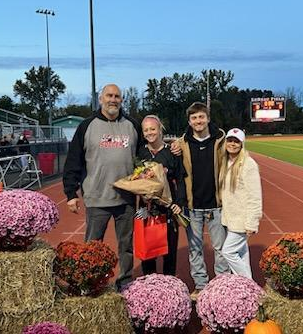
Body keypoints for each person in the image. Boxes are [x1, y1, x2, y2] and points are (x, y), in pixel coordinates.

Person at [63, 83, 142, 291]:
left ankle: (124, 281)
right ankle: (91, 282)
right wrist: (71, 193)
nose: (113, 99)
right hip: (97, 197)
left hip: (125, 200)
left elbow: (143, 159)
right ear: (101, 99)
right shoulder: (87, 126)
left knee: (126, 246)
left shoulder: (132, 125)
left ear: (121, 100)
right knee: (93, 246)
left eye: (117, 96)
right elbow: (73, 160)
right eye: (109, 95)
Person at [175, 102, 229, 300]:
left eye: (201, 117)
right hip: (193, 206)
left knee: (220, 248)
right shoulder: (182, 144)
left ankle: (221, 285)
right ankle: (200, 286)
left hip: (216, 204)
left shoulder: (220, 141)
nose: (198, 121)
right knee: (195, 249)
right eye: (194, 118)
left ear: (208, 118)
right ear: (189, 122)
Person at [138, 115, 187, 276]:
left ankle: (169, 288)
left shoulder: (172, 152)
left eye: (153, 128)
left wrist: (179, 203)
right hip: (146, 209)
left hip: (168, 209)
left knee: (169, 252)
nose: (150, 132)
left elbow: (180, 179)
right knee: (147, 254)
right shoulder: (140, 152)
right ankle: (149, 288)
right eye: (146, 130)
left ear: (160, 130)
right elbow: (133, 179)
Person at [220, 128, 262, 278]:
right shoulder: (226, 162)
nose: (232, 144)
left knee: (228, 251)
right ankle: (248, 287)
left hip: (241, 219)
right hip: (231, 217)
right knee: (242, 254)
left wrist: (252, 222)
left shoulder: (248, 164)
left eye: (236, 141)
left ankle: (247, 285)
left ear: (242, 143)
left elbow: (255, 196)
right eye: (230, 140)